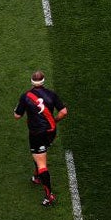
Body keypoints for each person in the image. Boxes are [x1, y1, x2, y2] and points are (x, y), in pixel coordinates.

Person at [14, 70, 67, 207]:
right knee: (39, 154)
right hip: (50, 131)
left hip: (37, 133)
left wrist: (18, 109)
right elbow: (63, 111)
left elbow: (17, 116)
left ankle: (49, 196)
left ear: (32, 81)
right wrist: (55, 120)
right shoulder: (51, 94)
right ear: (43, 81)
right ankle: (37, 176)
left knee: (41, 161)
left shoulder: (26, 96)